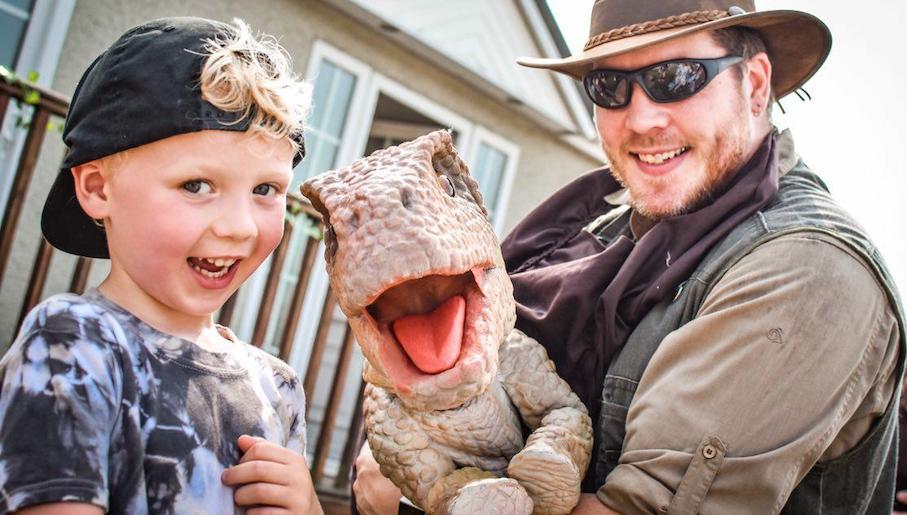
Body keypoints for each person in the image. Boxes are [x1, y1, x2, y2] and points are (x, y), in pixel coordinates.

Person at [353, 1, 905, 513]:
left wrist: (409, 501)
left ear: (755, 84)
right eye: (609, 86)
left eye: (675, 78)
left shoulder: (805, 268)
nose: (640, 119)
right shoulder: (600, 225)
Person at [0, 17, 322, 514]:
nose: (239, 227)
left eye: (265, 190)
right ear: (98, 190)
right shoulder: (76, 345)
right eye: (196, 185)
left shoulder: (277, 388)